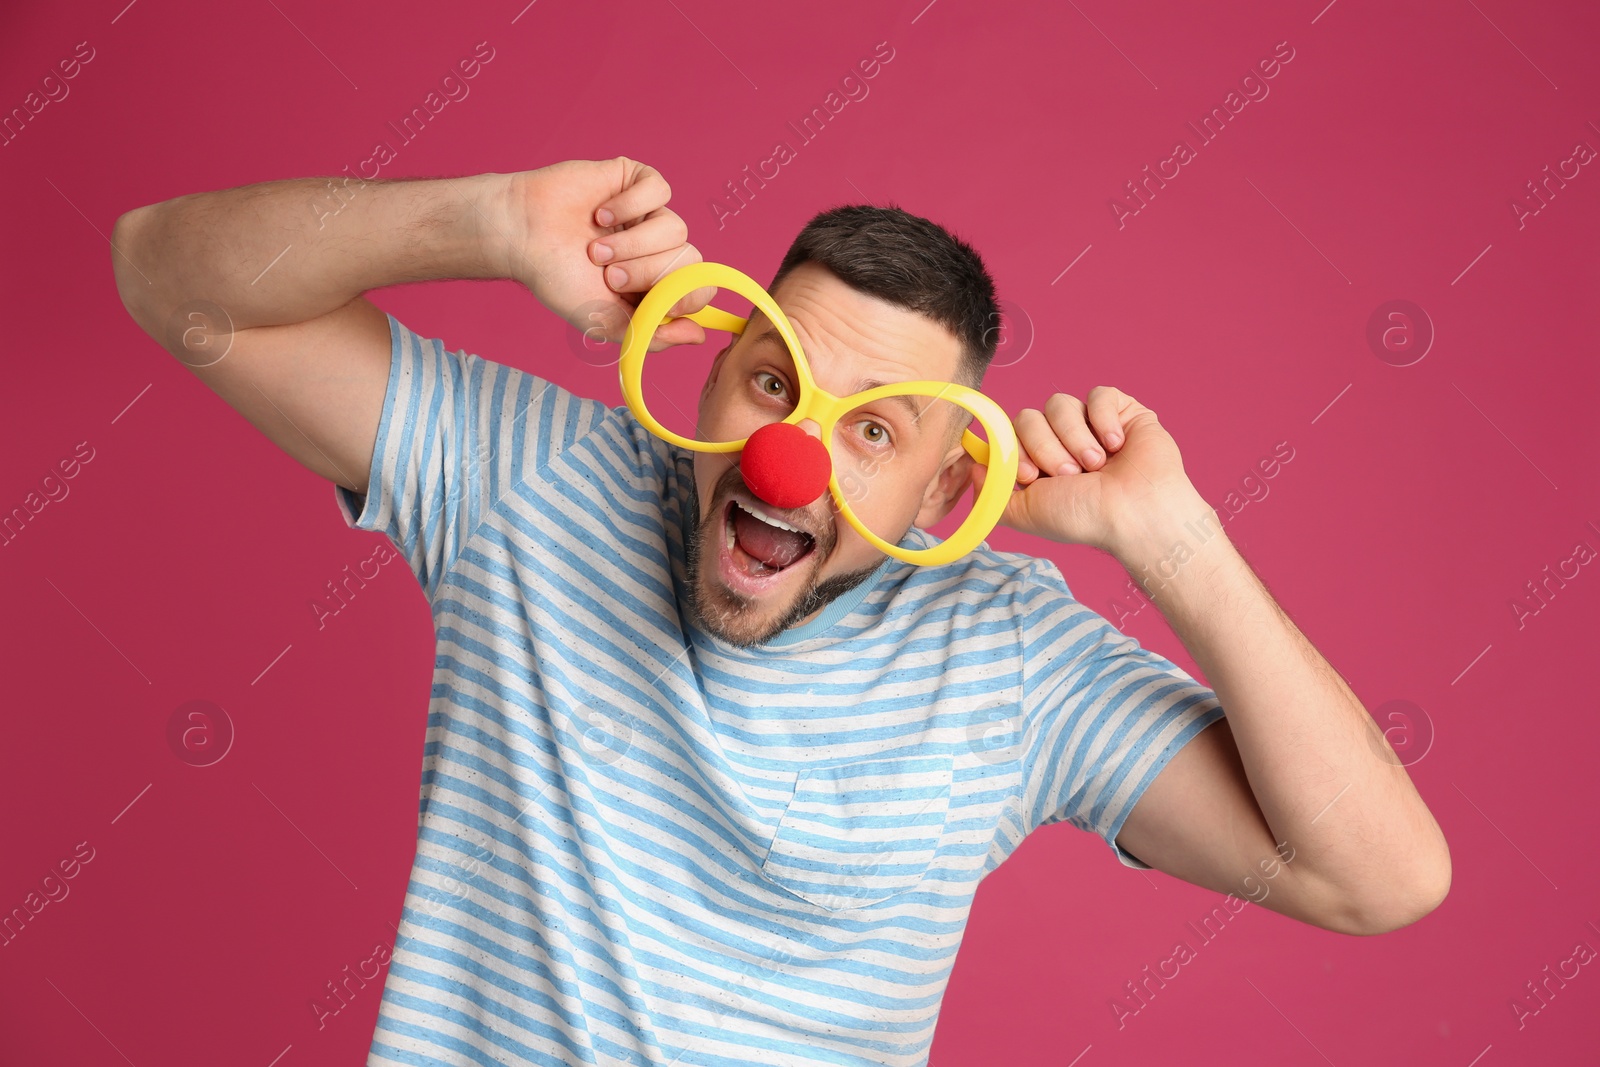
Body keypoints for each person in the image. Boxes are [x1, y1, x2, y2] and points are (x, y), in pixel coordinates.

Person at [111, 157, 1449, 1066]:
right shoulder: (531, 479)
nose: (791, 460)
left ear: (949, 488)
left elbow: (1378, 878)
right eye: (772, 385)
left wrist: (1177, 545)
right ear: (701, 362)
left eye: (874, 432)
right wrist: (487, 223)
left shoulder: (1011, 657)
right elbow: (170, 279)